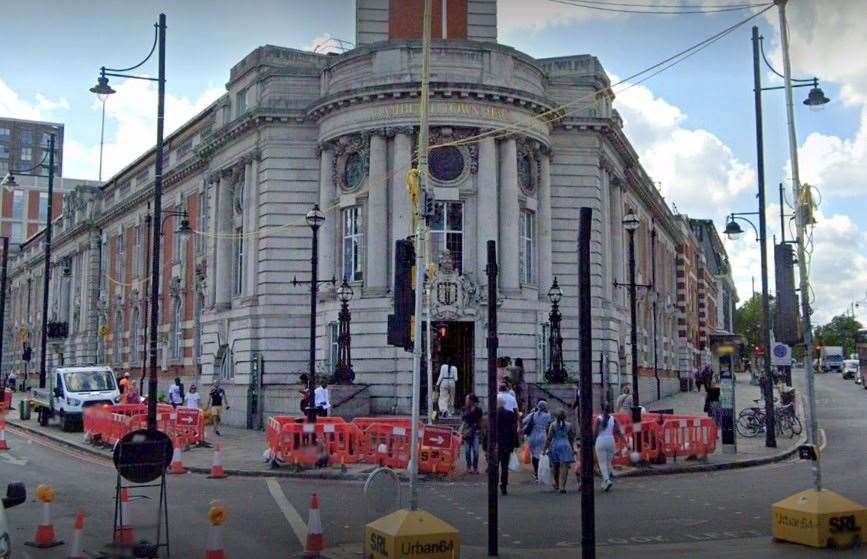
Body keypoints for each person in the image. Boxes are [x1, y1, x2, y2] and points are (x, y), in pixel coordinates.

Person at [544, 409, 576, 493]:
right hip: (566, 445)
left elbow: (549, 438)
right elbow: (571, 438)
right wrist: (572, 448)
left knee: (555, 466)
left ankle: (556, 483)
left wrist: (544, 449)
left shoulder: (553, 425)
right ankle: (563, 486)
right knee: (564, 466)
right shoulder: (569, 425)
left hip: (555, 445)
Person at [522, 400, 554, 479]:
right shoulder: (548, 415)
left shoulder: (533, 414)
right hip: (542, 435)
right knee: (541, 454)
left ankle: (536, 472)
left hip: (532, 436)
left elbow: (523, 421)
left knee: (534, 455)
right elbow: (551, 423)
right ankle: (541, 472)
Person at [594, 404, 621, 492]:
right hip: (611, 440)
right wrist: (626, 443)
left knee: (602, 463)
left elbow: (595, 432)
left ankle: (606, 480)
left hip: (601, 440)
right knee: (609, 463)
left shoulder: (599, 419)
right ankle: (605, 482)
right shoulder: (613, 419)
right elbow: (618, 431)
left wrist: (593, 442)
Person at [496, 397, 519, 495]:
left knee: (494, 466)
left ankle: (494, 483)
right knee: (504, 466)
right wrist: (515, 442)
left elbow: (489, 430)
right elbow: (513, 429)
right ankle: (503, 485)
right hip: (507, 442)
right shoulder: (510, 414)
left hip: (496, 443)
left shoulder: (493, 414)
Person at [460, 394, 483, 474]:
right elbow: (463, 418)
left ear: (472, 401)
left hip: (475, 432)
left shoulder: (478, 410)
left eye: (467, 399)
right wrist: (469, 412)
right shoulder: (464, 409)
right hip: (467, 432)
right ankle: (468, 467)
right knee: (467, 451)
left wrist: (479, 429)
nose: (466, 401)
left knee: (476, 451)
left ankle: (475, 467)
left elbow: (480, 420)